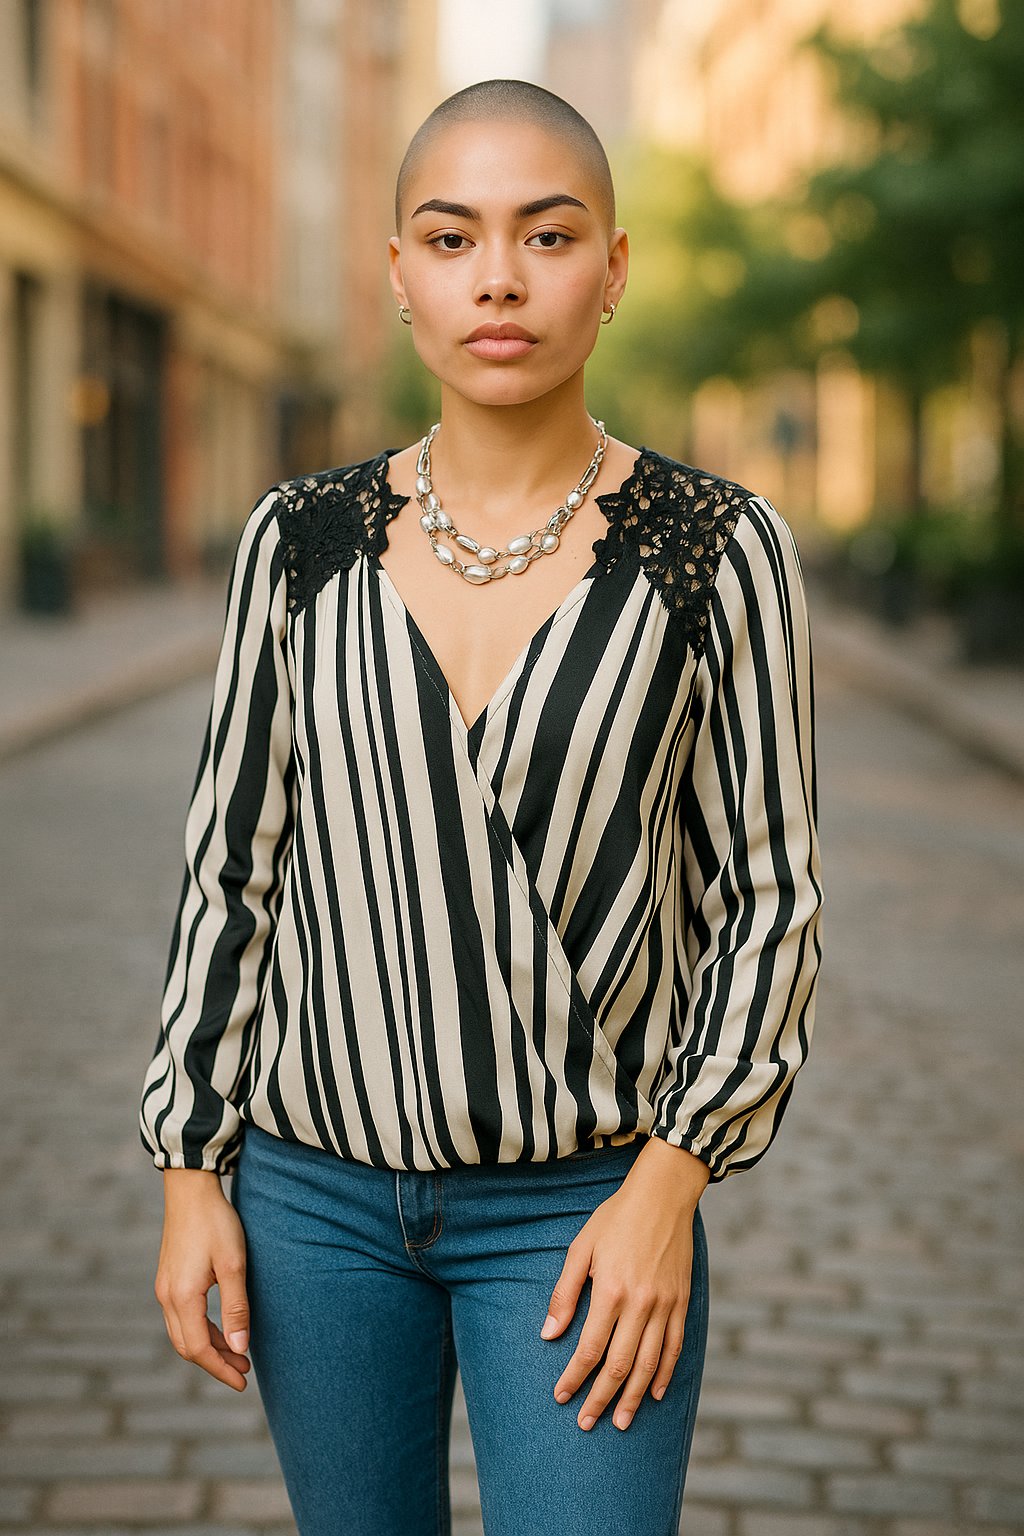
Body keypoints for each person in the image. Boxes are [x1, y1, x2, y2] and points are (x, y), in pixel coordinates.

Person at [139, 78, 823, 1536]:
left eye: (547, 236)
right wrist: (192, 1171)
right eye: (452, 239)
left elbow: (766, 904)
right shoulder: (298, 543)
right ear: (400, 272)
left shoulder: (716, 551)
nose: (498, 278)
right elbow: (231, 870)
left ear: (613, 269)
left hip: (584, 1209)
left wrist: (668, 1189)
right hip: (313, 1205)